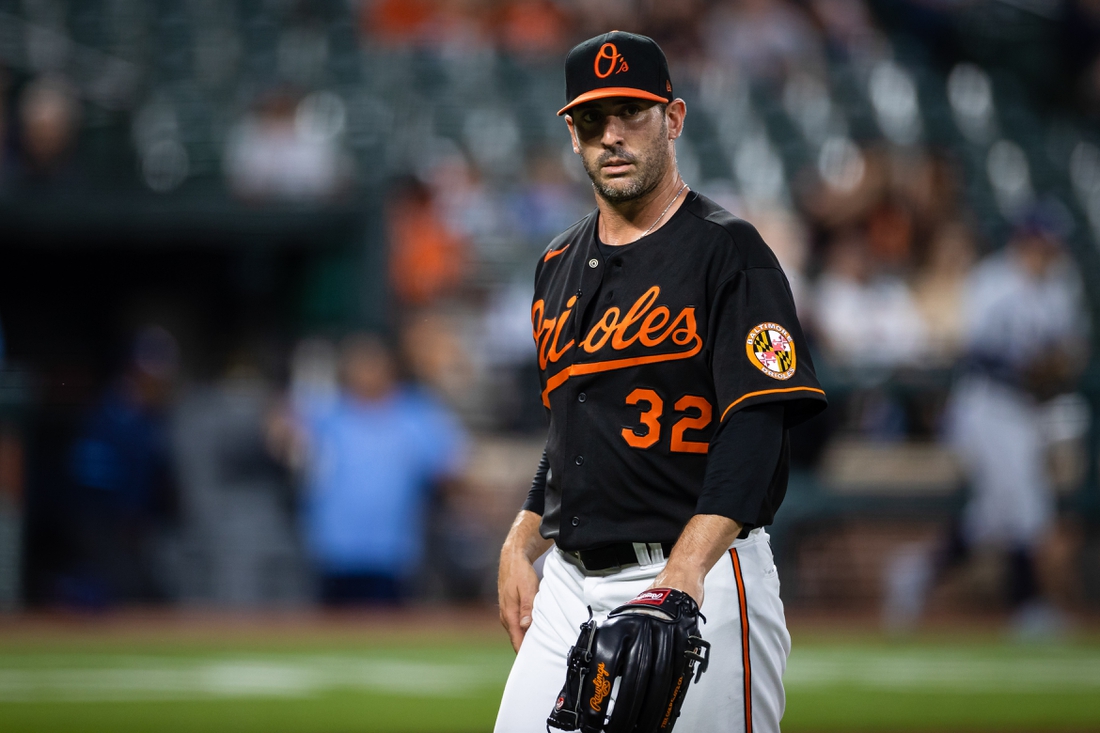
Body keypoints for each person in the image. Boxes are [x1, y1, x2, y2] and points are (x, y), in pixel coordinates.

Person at [494, 32, 827, 733]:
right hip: (569, 579)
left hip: (700, 572)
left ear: (673, 119)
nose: (611, 136)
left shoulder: (729, 250)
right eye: (592, 120)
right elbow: (574, 428)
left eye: (631, 114)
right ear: (571, 132)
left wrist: (687, 567)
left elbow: (758, 423)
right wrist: (523, 536)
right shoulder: (555, 263)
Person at [286, 332, 467, 605]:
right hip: (332, 547)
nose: (366, 373)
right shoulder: (328, 412)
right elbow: (285, 435)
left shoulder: (415, 414)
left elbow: (450, 467)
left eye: (373, 364)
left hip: (391, 551)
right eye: (359, 365)